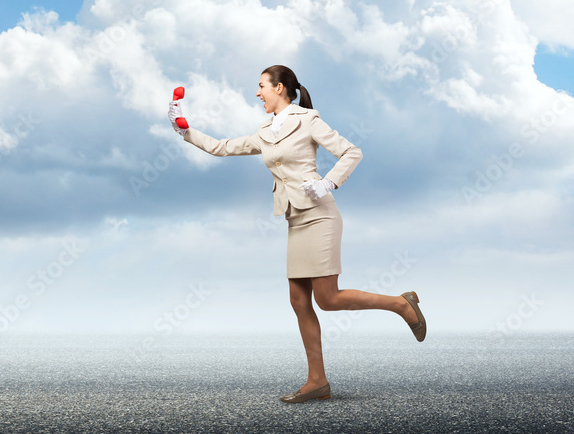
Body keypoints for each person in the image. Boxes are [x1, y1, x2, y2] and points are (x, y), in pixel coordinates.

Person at [168, 65, 426, 403]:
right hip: (295, 219)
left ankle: (400, 305)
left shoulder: (307, 119)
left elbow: (352, 152)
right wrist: (184, 130)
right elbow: (222, 147)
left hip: (320, 215)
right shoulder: (264, 130)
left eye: (261, 86)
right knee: (298, 299)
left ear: (280, 88)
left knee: (327, 299)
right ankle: (317, 381)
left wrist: (327, 183)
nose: (258, 93)